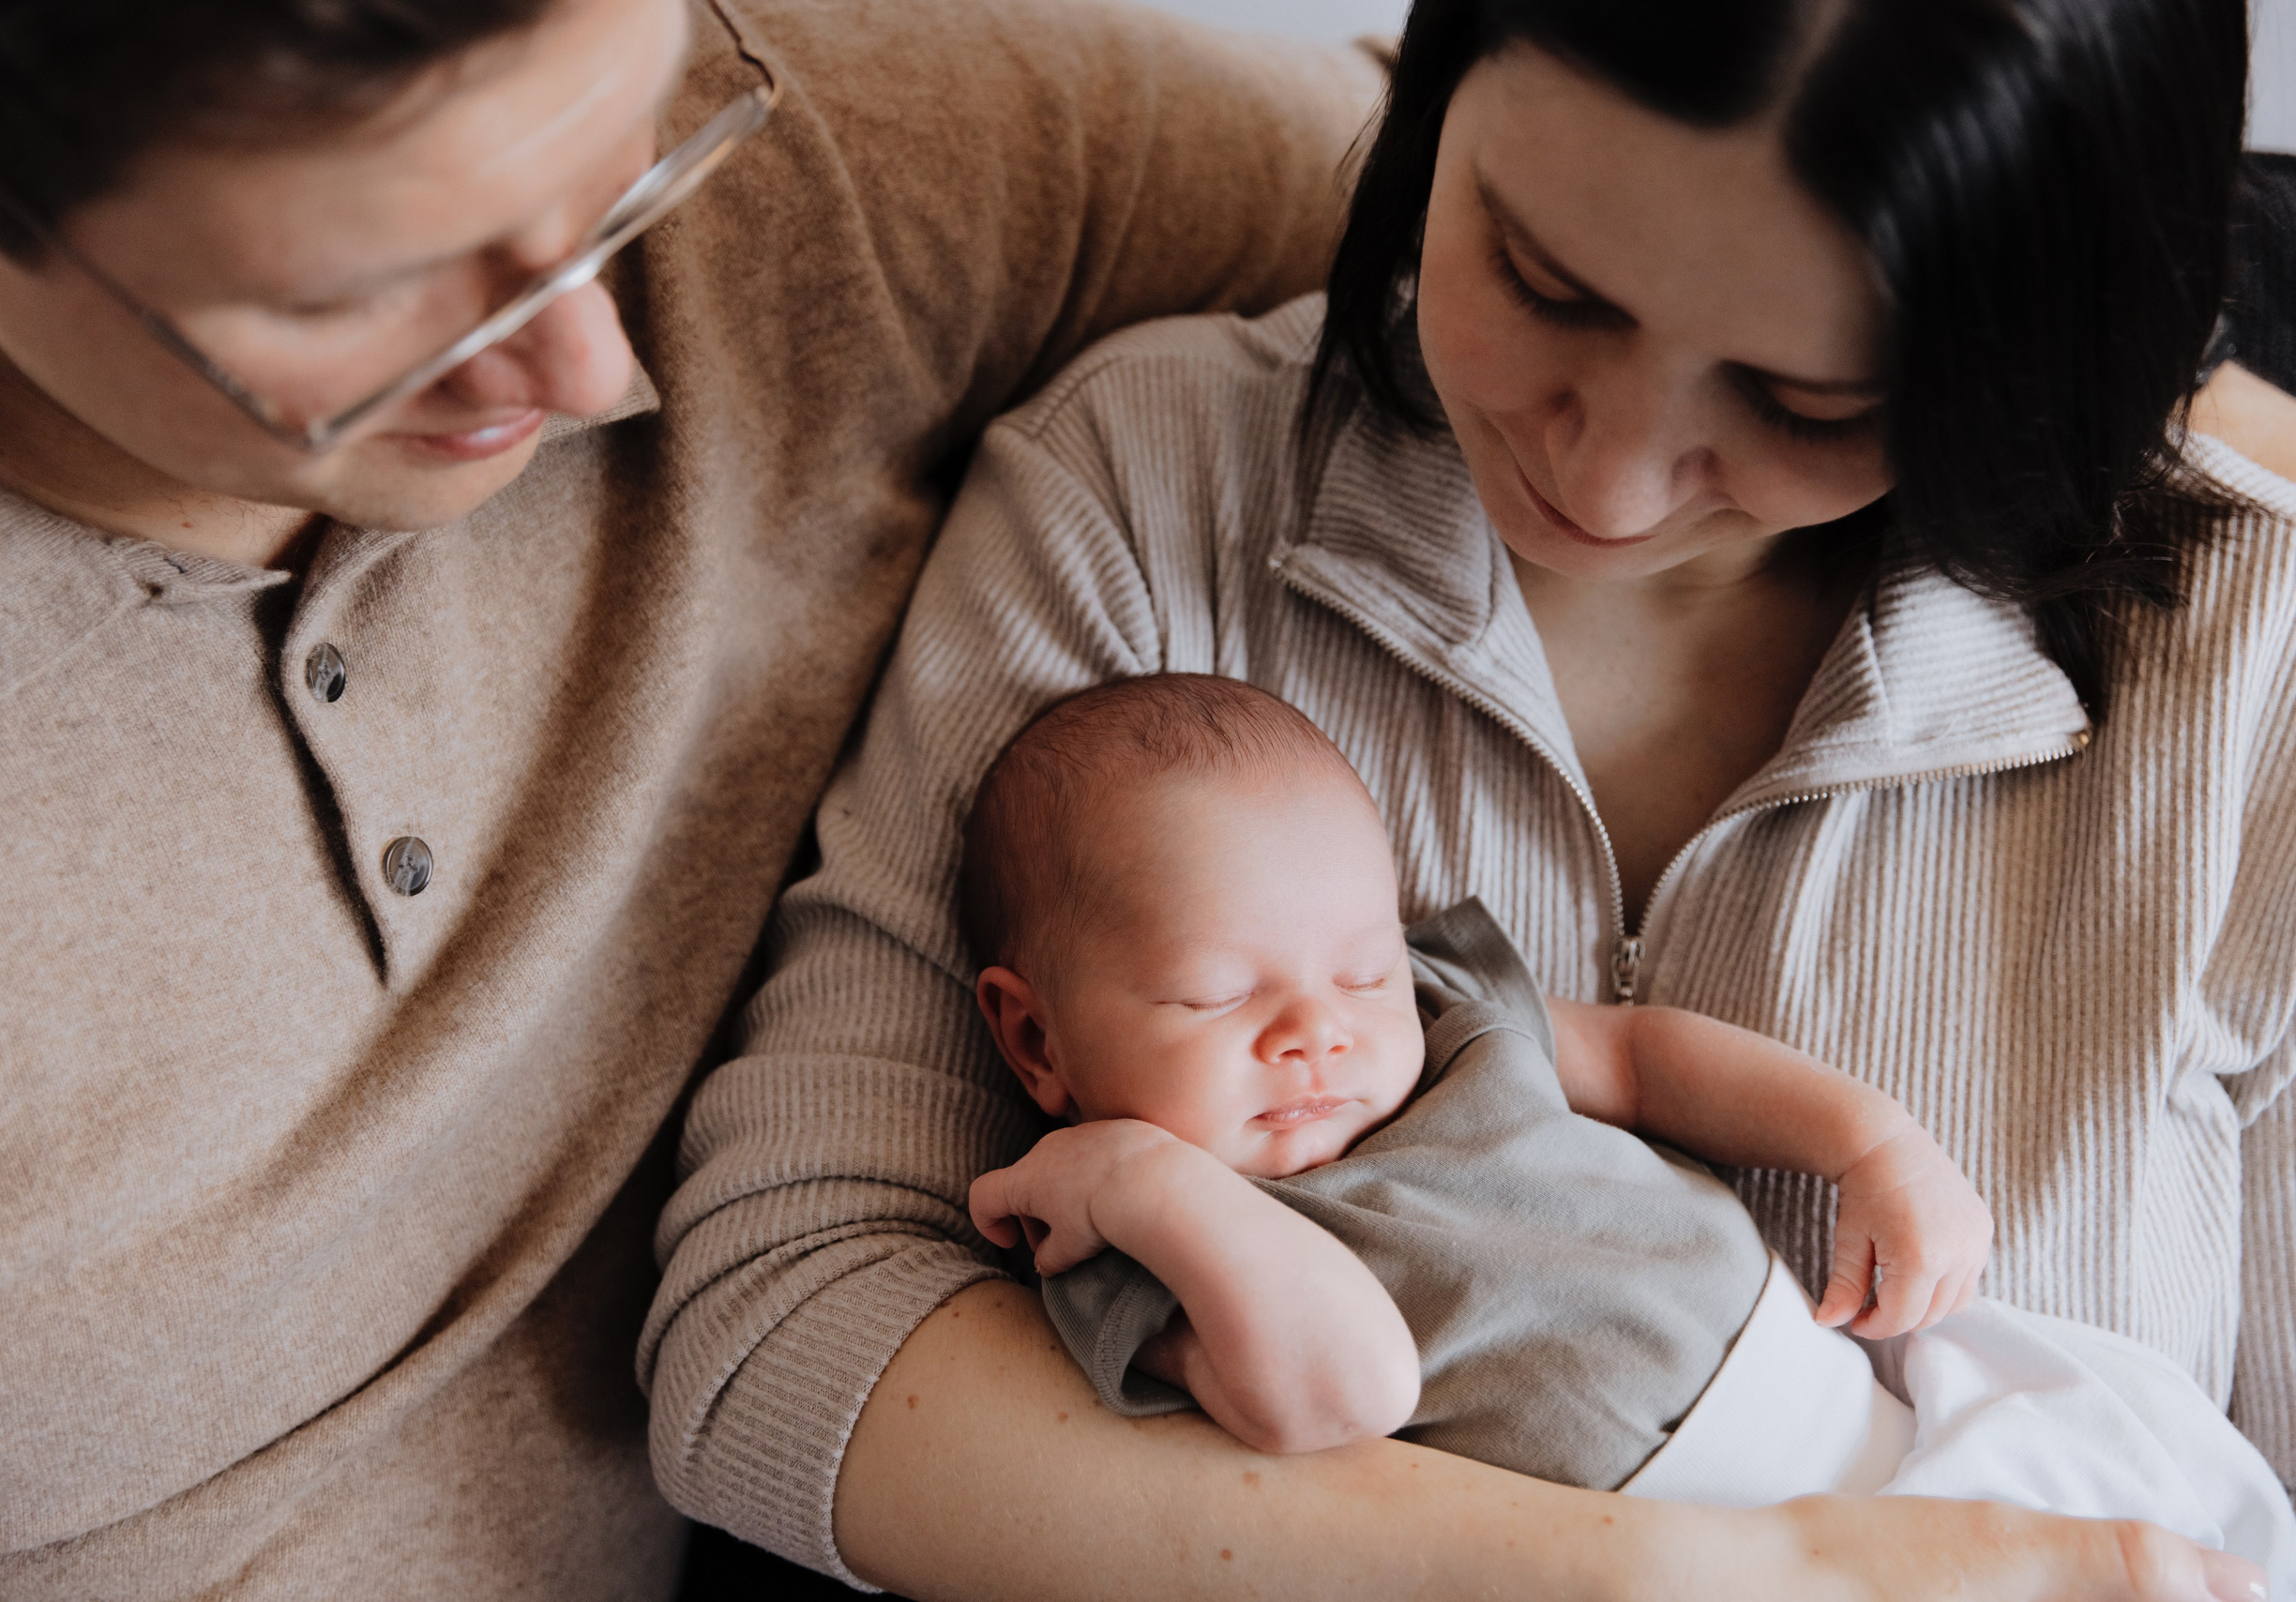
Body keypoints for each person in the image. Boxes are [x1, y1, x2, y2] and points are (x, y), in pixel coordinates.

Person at [651, 0, 2296, 1596]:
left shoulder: (2253, 666)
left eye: (1807, 406)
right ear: (1443, 85)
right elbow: (785, 1332)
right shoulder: (1143, 500)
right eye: (1543, 278)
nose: (1607, 478)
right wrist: (1714, 1578)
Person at [0, 0, 1387, 1594]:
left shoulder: (816, 152)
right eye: (374, 290)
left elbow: (1531, 202)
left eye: (622, 166)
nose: (597, 360)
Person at [956, 673, 2296, 1586]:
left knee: (2176, 1528)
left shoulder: (1443, 1018)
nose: (1318, 1031)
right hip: (1700, 1553)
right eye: (1214, 993)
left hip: (1885, 1415)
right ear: (1035, 1039)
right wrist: (1149, 1181)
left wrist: (1869, 1143)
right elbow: (1348, 1392)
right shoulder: (1139, 1243)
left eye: (1357, 967)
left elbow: (1649, 1059)